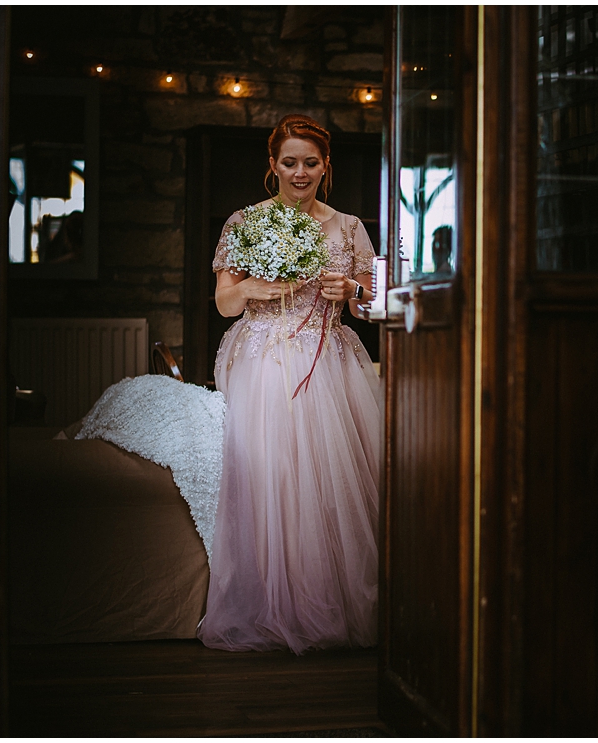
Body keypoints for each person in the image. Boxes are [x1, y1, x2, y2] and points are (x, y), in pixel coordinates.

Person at [197, 114, 381, 654]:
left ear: (327, 166)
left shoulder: (348, 226)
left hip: (330, 357)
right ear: (272, 165)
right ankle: (274, 603)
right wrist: (257, 283)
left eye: (311, 162)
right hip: (265, 357)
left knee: (336, 481)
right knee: (274, 476)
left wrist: (349, 288)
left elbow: (372, 308)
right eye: (289, 162)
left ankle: (335, 599)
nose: (300, 172)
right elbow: (225, 303)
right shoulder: (246, 221)